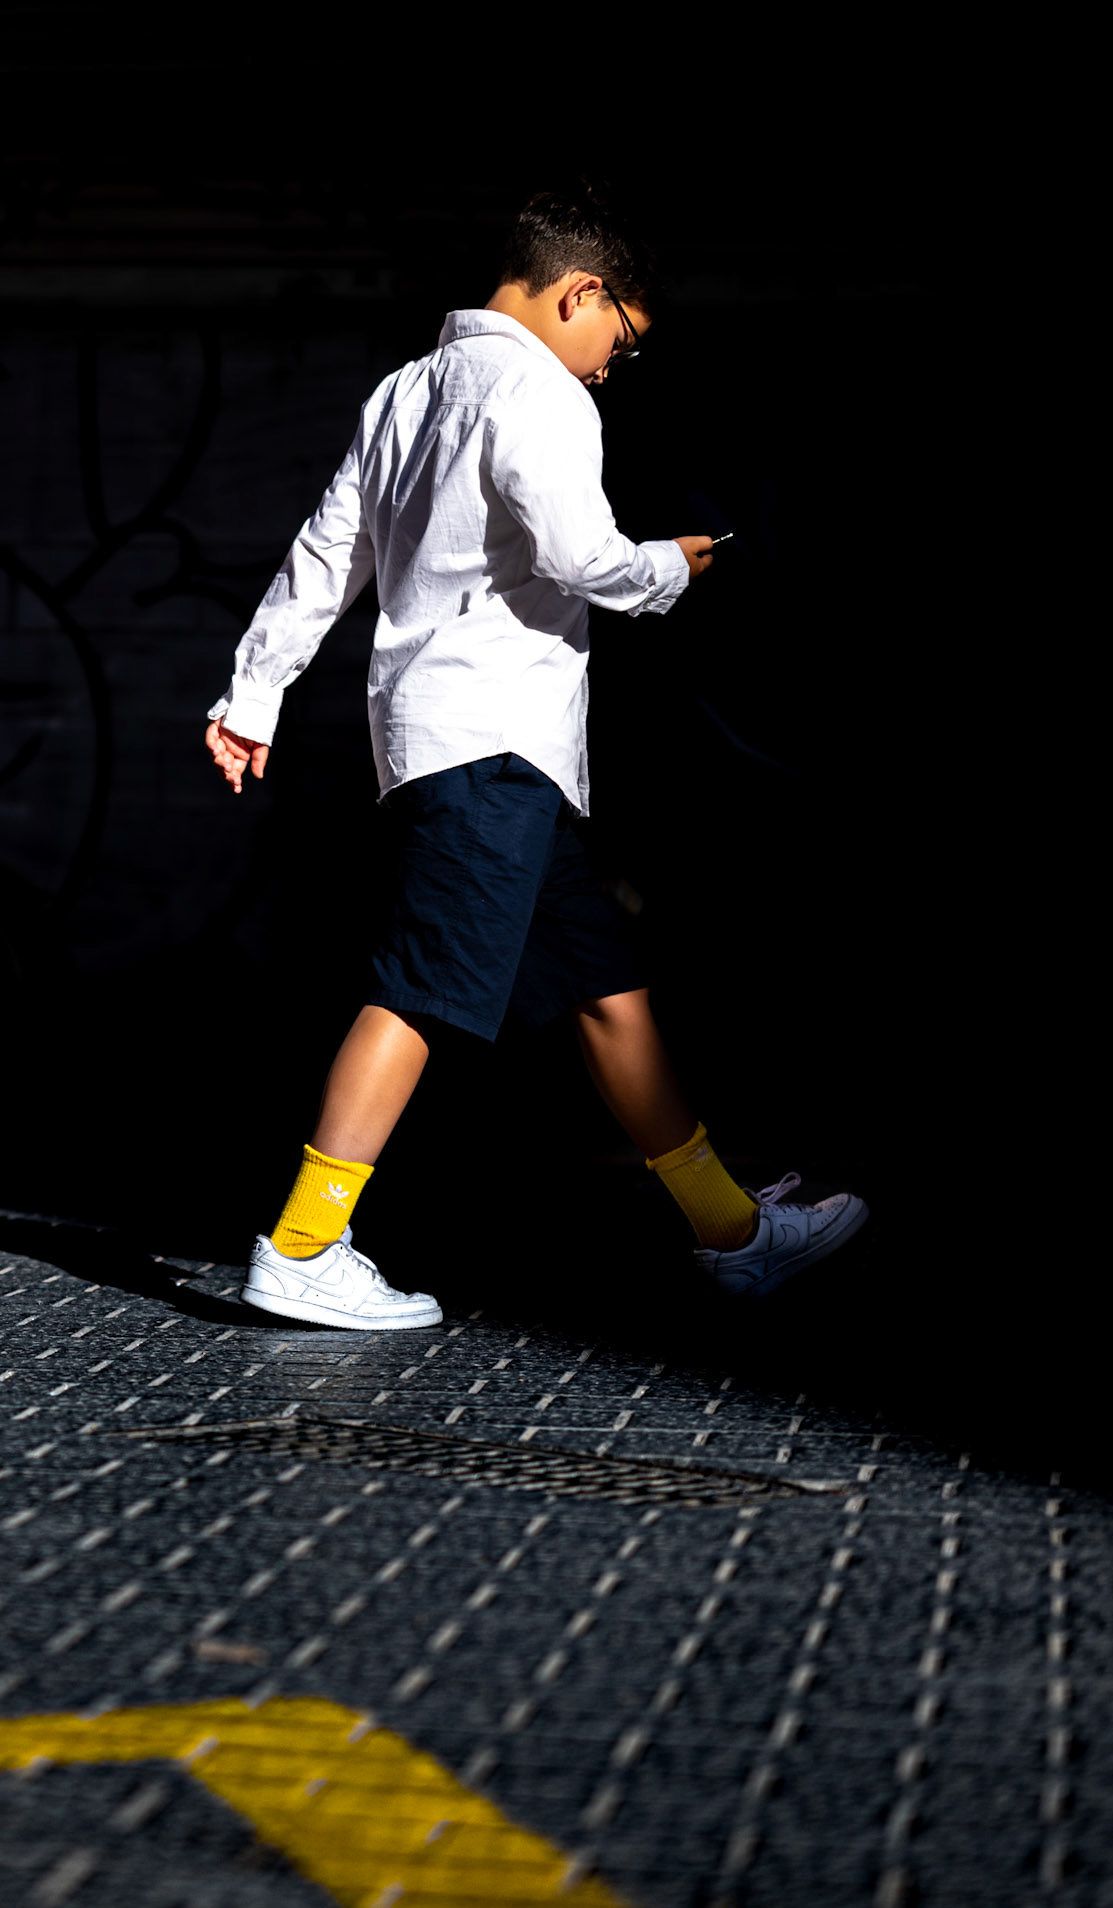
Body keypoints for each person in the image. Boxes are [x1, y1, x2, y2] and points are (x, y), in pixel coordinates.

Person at [203, 187, 867, 1333]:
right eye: (623, 336)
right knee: (420, 988)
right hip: (495, 744)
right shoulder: (540, 392)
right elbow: (582, 558)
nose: (614, 364)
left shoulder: (406, 390)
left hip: (454, 746)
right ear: (581, 292)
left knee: (607, 992)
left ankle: (732, 1233)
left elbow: (327, 551)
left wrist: (254, 691)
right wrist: (675, 566)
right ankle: (303, 1242)